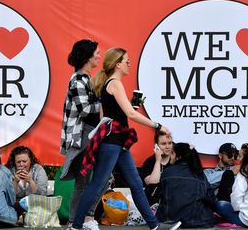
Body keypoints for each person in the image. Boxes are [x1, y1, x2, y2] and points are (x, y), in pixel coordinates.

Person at [71, 47, 178, 230]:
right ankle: (76, 226)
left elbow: (111, 115)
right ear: (118, 64)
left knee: (135, 183)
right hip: (112, 142)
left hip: (118, 143)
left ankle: (154, 226)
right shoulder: (114, 84)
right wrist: (158, 126)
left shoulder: (110, 84)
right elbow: (129, 114)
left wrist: (130, 107)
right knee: (97, 184)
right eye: (127, 61)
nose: (129, 64)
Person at [60, 39, 103, 229]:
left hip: (88, 132)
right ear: (87, 57)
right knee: (84, 179)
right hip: (83, 133)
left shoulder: (85, 78)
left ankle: (79, 219)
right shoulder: (78, 80)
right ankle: (77, 220)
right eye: (96, 53)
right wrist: (106, 103)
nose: (99, 56)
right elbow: (84, 110)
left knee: (90, 178)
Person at [156, 143, 216, 228]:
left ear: (179, 157)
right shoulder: (199, 174)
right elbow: (211, 199)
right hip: (197, 221)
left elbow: (160, 196)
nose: (170, 155)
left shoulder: (167, 172)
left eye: (172, 153)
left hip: (169, 219)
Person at [4, 146, 48, 214]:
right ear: (14, 162)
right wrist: (15, 182)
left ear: (31, 160)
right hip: (14, 208)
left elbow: (42, 195)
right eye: (18, 162)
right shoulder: (9, 171)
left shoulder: (38, 170)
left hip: (35, 206)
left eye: (24, 161)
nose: (21, 164)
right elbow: (8, 198)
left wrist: (30, 181)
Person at [139, 130, 175, 205]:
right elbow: (152, 183)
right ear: (156, 146)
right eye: (163, 144)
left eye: (170, 143)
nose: (168, 147)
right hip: (154, 202)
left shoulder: (176, 161)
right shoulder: (149, 162)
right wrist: (158, 161)